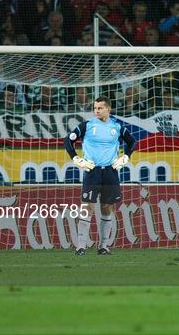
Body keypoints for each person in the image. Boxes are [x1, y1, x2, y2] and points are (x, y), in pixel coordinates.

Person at [63, 96, 135, 256]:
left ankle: (103, 246)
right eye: (95, 108)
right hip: (92, 171)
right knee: (86, 207)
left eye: (100, 108)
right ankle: (80, 246)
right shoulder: (87, 126)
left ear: (108, 109)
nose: (96, 111)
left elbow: (132, 141)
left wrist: (126, 156)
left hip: (110, 171)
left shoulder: (117, 127)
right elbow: (67, 140)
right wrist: (76, 158)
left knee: (107, 208)